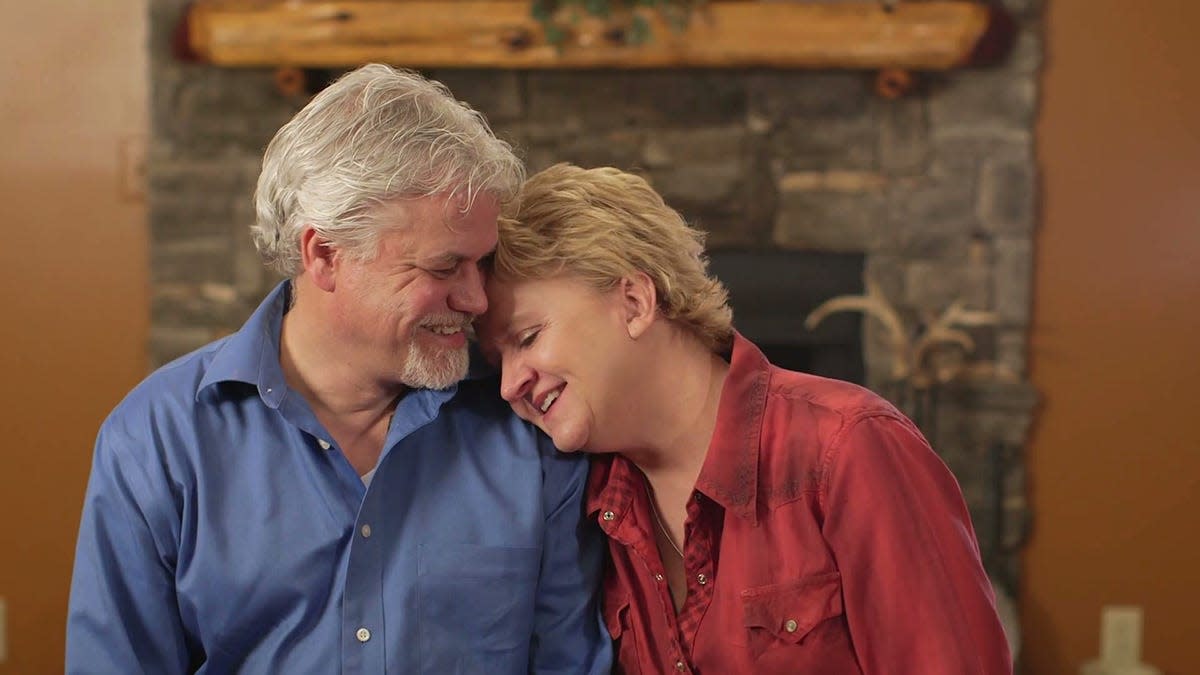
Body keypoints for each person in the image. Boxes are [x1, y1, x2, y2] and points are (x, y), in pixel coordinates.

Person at [66, 66, 609, 674]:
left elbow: (569, 662)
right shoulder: (156, 440)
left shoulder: (527, 422)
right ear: (324, 254)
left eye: (482, 264)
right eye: (443, 267)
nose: (476, 299)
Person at [477, 163, 1013, 674]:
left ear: (636, 301)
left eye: (528, 338)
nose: (509, 385)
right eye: (499, 362)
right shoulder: (588, 502)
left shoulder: (849, 446)